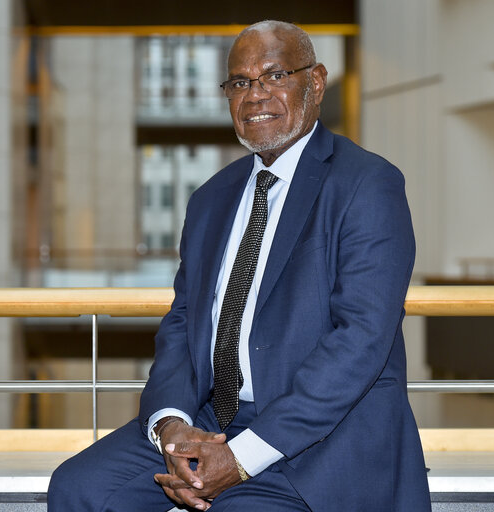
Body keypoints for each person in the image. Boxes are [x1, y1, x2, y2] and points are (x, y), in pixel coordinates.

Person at [48, 20, 431, 512]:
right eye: (241, 83)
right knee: (78, 488)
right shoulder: (211, 198)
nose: (256, 96)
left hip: (324, 438)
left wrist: (242, 457)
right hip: (213, 416)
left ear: (315, 83)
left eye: (275, 76)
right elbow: (184, 322)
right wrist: (173, 426)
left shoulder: (367, 184)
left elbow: (360, 337)